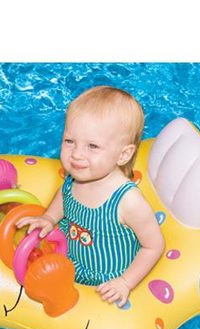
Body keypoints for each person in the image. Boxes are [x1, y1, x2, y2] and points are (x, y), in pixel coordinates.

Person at [17, 86, 165, 307]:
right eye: (69, 141)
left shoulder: (128, 201)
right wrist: (48, 218)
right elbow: (64, 196)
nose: (76, 154)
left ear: (123, 154)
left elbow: (153, 246)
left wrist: (125, 282)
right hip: (70, 256)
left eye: (92, 146)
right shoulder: (75, 177)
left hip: (107, 277)